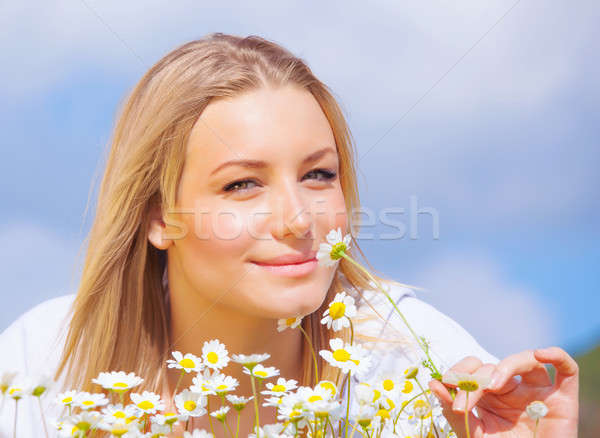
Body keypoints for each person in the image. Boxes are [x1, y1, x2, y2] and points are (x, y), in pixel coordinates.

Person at [0, 33, 578, 437]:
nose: (300, 220)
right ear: (158, 217)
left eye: (318, 175)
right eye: (243, 185)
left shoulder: (419, 371)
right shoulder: (41, 365)